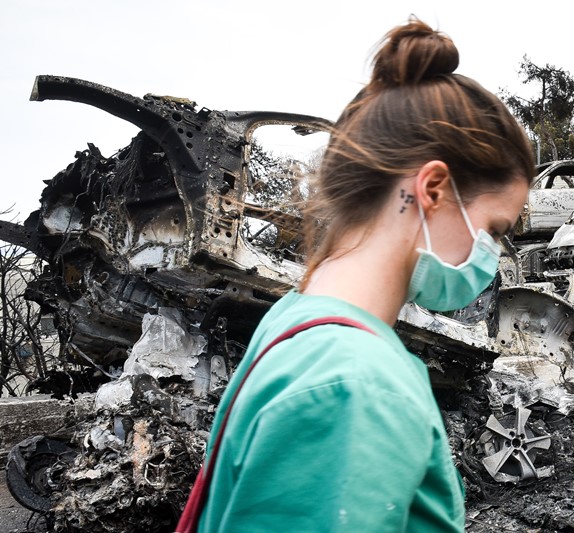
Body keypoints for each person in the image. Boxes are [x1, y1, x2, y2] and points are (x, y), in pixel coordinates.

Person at [197, 17, 535, 532]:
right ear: (433, 189)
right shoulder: (356, 385)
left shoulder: (295, 320)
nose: (491, 254)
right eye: (493, 227)